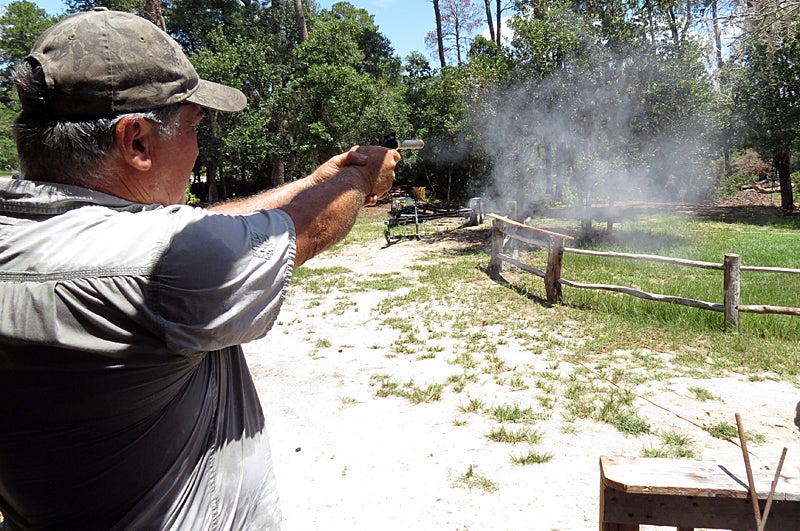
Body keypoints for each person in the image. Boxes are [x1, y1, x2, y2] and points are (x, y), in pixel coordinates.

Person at [0, 7, 399, 531]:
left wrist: (312, 180)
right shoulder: (165, 265)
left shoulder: (44, 235)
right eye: (192, 126)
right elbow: (304, 228)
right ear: (136, 141)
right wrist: (360, 178)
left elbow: (185, 232)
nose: (196, 146)